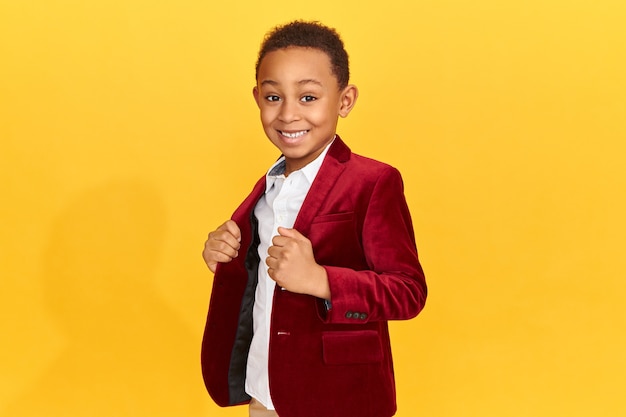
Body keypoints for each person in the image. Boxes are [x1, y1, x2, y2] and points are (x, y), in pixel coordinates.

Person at [201, 20, 427, 417]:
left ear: (344, 100)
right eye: (273, 97)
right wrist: (227, 258)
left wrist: (321, 280)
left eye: (308, 97)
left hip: (339, 399)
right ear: (257, 98)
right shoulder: (264, 192)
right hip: (265, 394)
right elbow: (261, 284)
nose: (288, 114)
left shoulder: (373, 182)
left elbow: (408, 292)